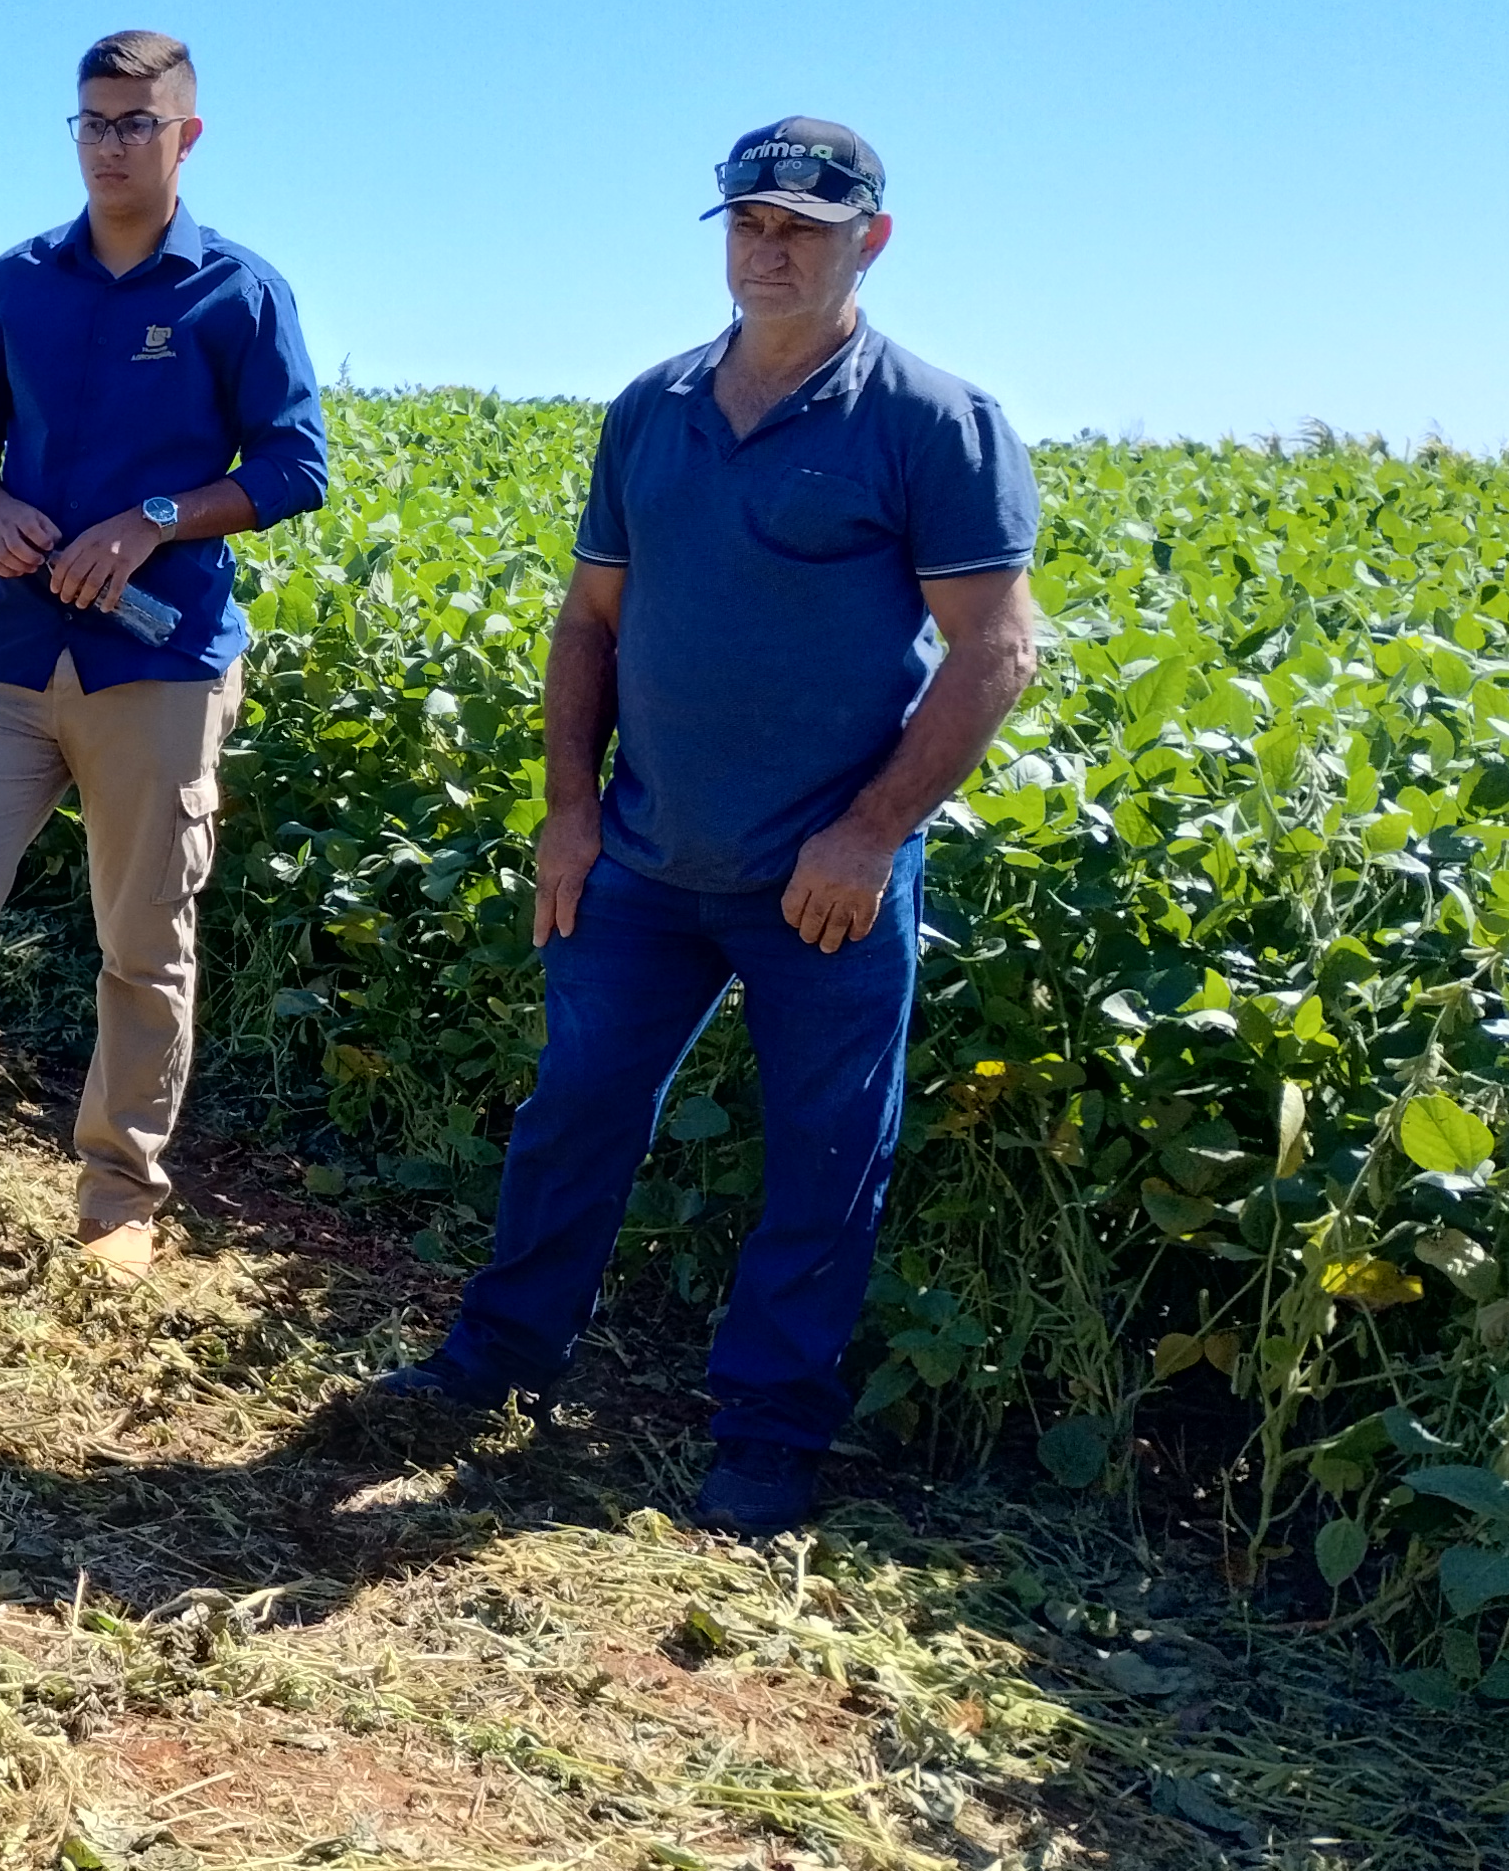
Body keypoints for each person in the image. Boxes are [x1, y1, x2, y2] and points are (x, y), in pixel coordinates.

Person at [374, 119, 1043, 1536]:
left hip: (823, 877)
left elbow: (997, 649)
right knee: (574, 1109)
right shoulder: (654, 407)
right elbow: (590, 621)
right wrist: (569, 811)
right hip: (641, 856)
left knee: (825, 1154)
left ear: (871, 241)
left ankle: (767, 1432)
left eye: (804, 228)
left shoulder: (933, 421)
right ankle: (496, 1358)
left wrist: (869, 833)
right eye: (750, 223)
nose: (770, 250)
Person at [0, 31, 328, 1281]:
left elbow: (294, 466)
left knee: (143, 940)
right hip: (11, 653)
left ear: (187, 135)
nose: (110, 145)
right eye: (92, 121)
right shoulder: (18, 282)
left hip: (162, 663)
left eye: (137, 122)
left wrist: (155, 521)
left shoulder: (238, 292)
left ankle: (119, 1197)